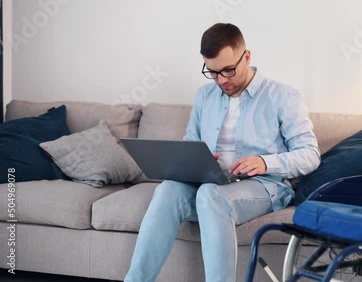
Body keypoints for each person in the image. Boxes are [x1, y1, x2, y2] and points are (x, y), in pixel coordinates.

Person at [124, 23, 321, 282]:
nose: (222, 80)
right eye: (213, 72)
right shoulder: (205, 96)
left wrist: (264, 162)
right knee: (167, 189)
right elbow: (190, 142)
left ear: (246, 57)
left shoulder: (284, 97)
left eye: (229, 70)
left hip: (264, 185)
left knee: (209, 195)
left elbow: (310, 154)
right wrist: (194, 160)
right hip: (213, 181)